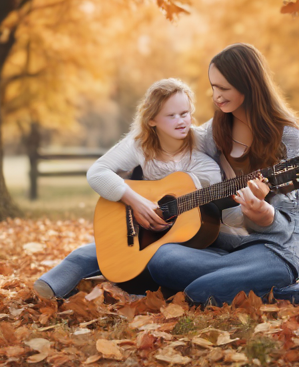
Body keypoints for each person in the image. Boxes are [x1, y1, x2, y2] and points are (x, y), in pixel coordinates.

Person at [147, 43, 299, 306]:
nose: (217, 96)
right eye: (213, 87)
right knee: (162, 260)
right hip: (225, 249)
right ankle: (241, 283)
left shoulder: (288, 138)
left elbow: (288, 227)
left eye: (224, 88)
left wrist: (263, 214)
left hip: (276, 251)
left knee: (199, 291)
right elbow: (175, 160)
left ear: (249, 84)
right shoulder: (215, 131)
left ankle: (293, 288)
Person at [33, 78, 223, 299]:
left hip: (192, 236)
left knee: (158, 259)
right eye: (171, 116)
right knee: (93, 252)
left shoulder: (202, 142)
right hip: (144, 231)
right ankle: (50, 288)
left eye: (185, 113)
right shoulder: (140, 144)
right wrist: (135, 200)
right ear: (152, 120)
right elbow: (97, 173)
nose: (181, 121)